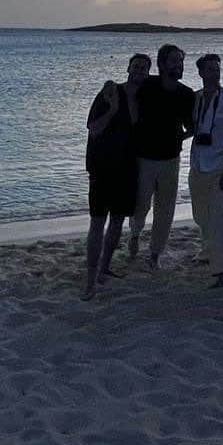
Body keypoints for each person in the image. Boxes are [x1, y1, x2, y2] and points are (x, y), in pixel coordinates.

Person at [81, 53, 151, 299]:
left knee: (118, 221)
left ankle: (104, 268)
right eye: (136, 66)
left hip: (129, 169)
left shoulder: (145, 100)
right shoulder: (110, 93)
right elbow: (93, 129)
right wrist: (112, 110)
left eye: (144, 68)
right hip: (102, 168)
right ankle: (90, 279)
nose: (140, 71)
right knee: (97, 222)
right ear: (128, 68)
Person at [129, 43, 195, 269]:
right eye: (174, 61)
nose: (179, 65)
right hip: (144, 159)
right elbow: (130, 107)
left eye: (181, 61)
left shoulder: (186, 94)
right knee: (140, 206)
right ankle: (135, 234)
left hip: (170, 160)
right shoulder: (147, 86)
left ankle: (155, 254)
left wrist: (179, 138)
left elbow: (192, 126)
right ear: (162, 64)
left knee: (165, 210)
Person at [188, 53, 223, 288]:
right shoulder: (196, 99)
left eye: (217, 69)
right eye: (210, 69)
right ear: (201, 73)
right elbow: (192, 128)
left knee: (217, 219)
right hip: (198, 165)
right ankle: (208, 250)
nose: (215, 73)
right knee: (200, 216)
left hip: (221, 167)